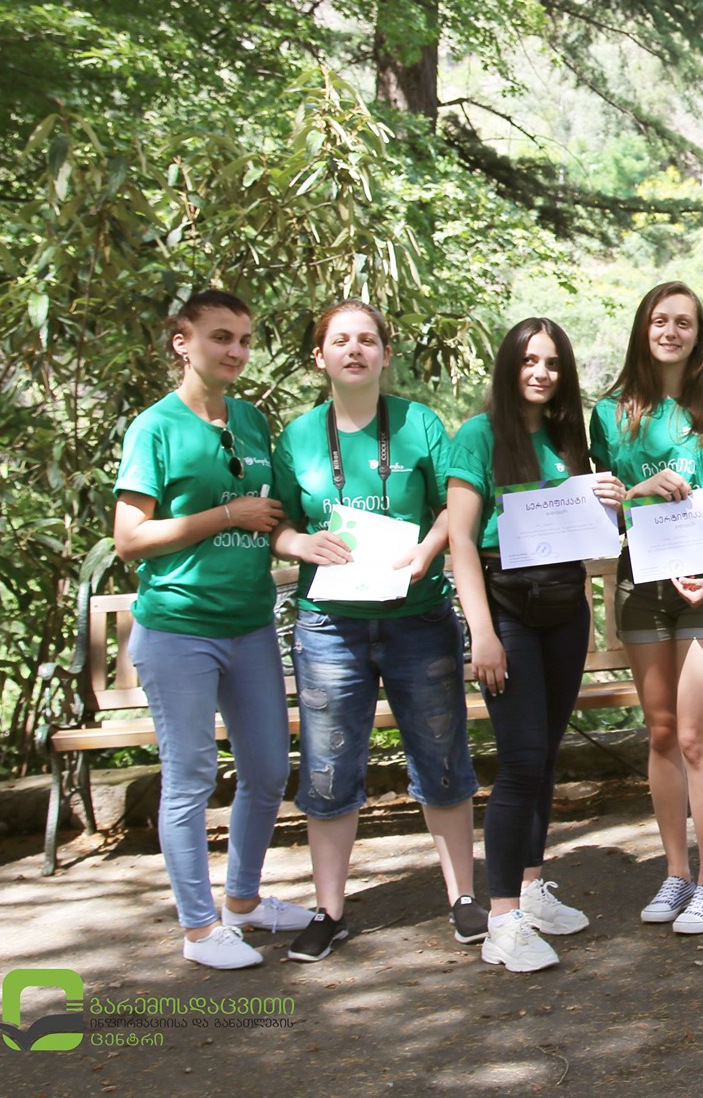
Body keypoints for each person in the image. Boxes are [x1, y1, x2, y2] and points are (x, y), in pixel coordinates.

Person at [269, 300, 479, 963]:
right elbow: (274, 524)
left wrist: (429, 549)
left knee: (442, 757)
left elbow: (455, 504)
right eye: (340, 340)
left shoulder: (419, 422)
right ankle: (329, 911)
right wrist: (300, 542)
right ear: (319, 356)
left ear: (385, 354)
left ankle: (464, 898)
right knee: (330, 769)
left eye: (367, 340)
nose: (354, 350)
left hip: (418, 616)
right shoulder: (296, 437)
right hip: (331, 625)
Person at [112, 289, 308, 969]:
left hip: (250, 624)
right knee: (191, 775)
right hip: (177, 628)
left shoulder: (252, 421)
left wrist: (315, 546)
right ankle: (199, 929)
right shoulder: (155, 428)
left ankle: (244, 904)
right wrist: (225, 517)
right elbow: (130, 539)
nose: (236, 351)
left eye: (245, 339)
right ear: (182, 341)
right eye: (222, 336)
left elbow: (276, 519)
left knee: (267, 768)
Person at [448, 318, 621, 971]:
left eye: (552, 362)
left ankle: (530, 887)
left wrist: (615, 496)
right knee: (519, 761)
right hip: (507, 607)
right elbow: (462, 539)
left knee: (546, 753)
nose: (541, 372)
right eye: (528, 360)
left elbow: (599, 525)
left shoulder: (569, 435)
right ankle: (501, 922)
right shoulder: (478, 435)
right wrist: (483, 632)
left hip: (565, 606)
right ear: (508, 365)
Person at [589, 282, 703, 935]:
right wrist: (636, 492)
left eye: (684, 322)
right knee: (659, 732)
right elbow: (598, 512)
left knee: (693, 734)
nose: (671, 330)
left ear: (698, 333)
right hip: (642, 582)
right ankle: (675, 871)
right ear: (643, 328)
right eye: (660, 319)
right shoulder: (608, 411)